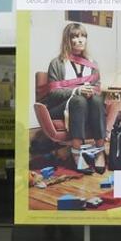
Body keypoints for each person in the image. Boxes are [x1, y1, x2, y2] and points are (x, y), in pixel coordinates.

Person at [41, 22, 107, 174]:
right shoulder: (56, 63)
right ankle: (76, 152)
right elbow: (53, 93)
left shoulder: (92, 63)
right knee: (79, 100)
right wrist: (77, 90)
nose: (80, 40)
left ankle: (99, 151)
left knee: (97, 99)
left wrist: (92, 92)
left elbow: (97, 87)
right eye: (75, 37)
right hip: (60, 107)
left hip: (87, 106)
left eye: (83, 36)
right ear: (67, 40)